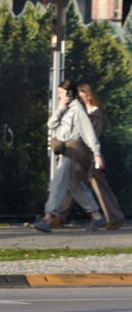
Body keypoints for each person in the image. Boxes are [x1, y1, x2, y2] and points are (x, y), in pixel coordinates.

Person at [32, 79, 104, 233]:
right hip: (65, 151)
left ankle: (47, 218)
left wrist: (97, 153)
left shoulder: (77, 109)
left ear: (70, 93)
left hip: (74, 152)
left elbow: (89, 133)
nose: (59, 96)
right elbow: (51, 125)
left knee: (57, 184)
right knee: (76, 186)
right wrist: (59, 108)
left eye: (61, 93)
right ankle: (96, 215)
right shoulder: (65, 109)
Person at [55, 84, 125, 230]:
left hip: (91, 157)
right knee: (72, 183)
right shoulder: (81, 112)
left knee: (98, 186)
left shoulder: (95, 114)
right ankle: (58, 216)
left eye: (81, 93)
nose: (79, 96)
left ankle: (115, 218)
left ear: (88, 95)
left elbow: (93, 136)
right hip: (80, 155)